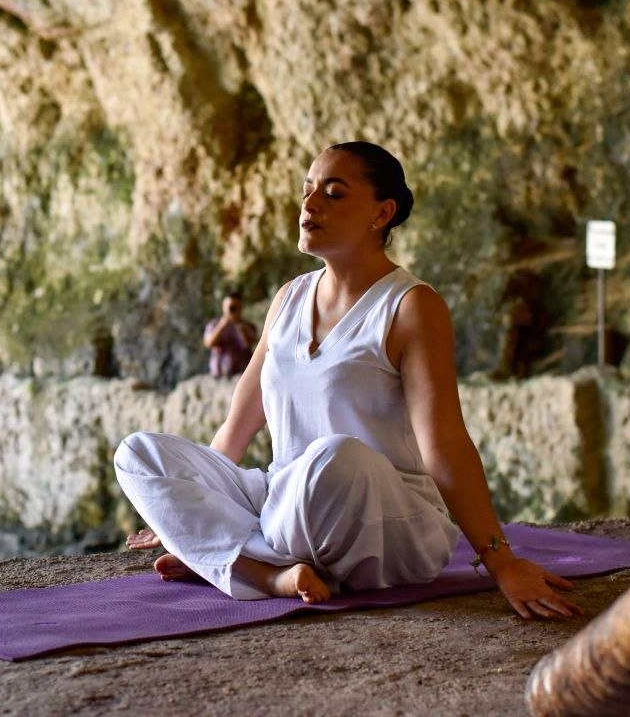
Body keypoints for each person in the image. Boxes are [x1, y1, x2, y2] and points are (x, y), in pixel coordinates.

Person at [114, 141, 580, 619]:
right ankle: (264, 572)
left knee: (336, 458)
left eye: (334, 193)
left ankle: (231, 557)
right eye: (307, 191)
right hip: (284, 502)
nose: (310, 204)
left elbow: (445, 444)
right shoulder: (289, 298)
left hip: (382, 519)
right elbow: (238, 423)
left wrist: (502, 562)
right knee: (137, 454)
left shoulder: (411, 307)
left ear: (382, 213)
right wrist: (189, 507)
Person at [202, 292, 258, 378]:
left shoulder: (248, 326)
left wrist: (241, 328)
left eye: (235, 307)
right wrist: (222, 325)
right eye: (230, 307)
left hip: (242, 375)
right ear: (223, 307)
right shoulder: (213, 325)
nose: (232, 310)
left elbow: (251, 343)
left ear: (241, 307)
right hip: (219, 376)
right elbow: (208, 343)